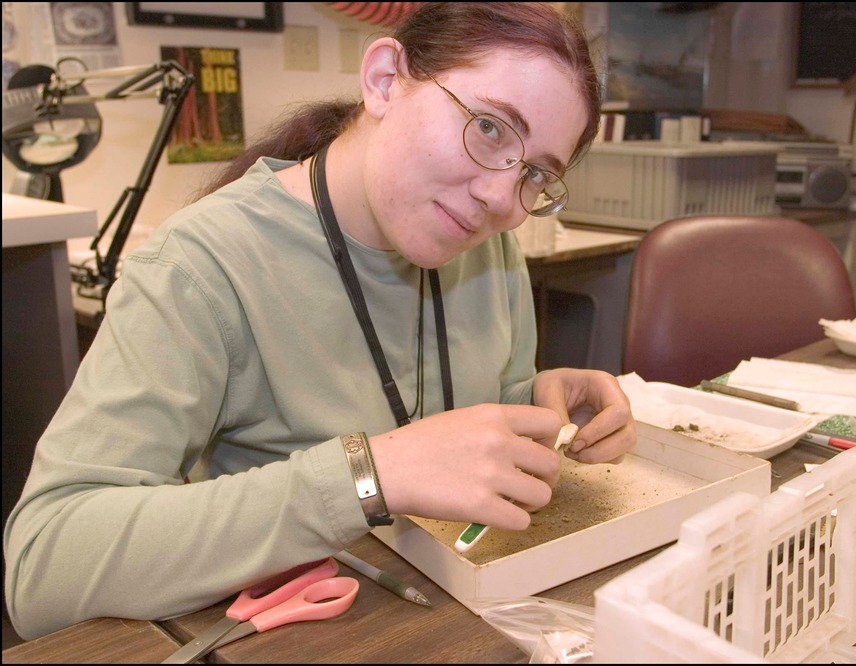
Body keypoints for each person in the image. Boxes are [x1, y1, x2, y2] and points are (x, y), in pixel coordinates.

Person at [3, 2, 636, 640]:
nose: (501, 198)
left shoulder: (486, 246)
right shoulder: (197, 270)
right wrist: (370, 475)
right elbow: (43, 566)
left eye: (536, 174)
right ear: (386, 79)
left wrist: (536, 400)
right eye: (491, 128)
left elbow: (465, 413)